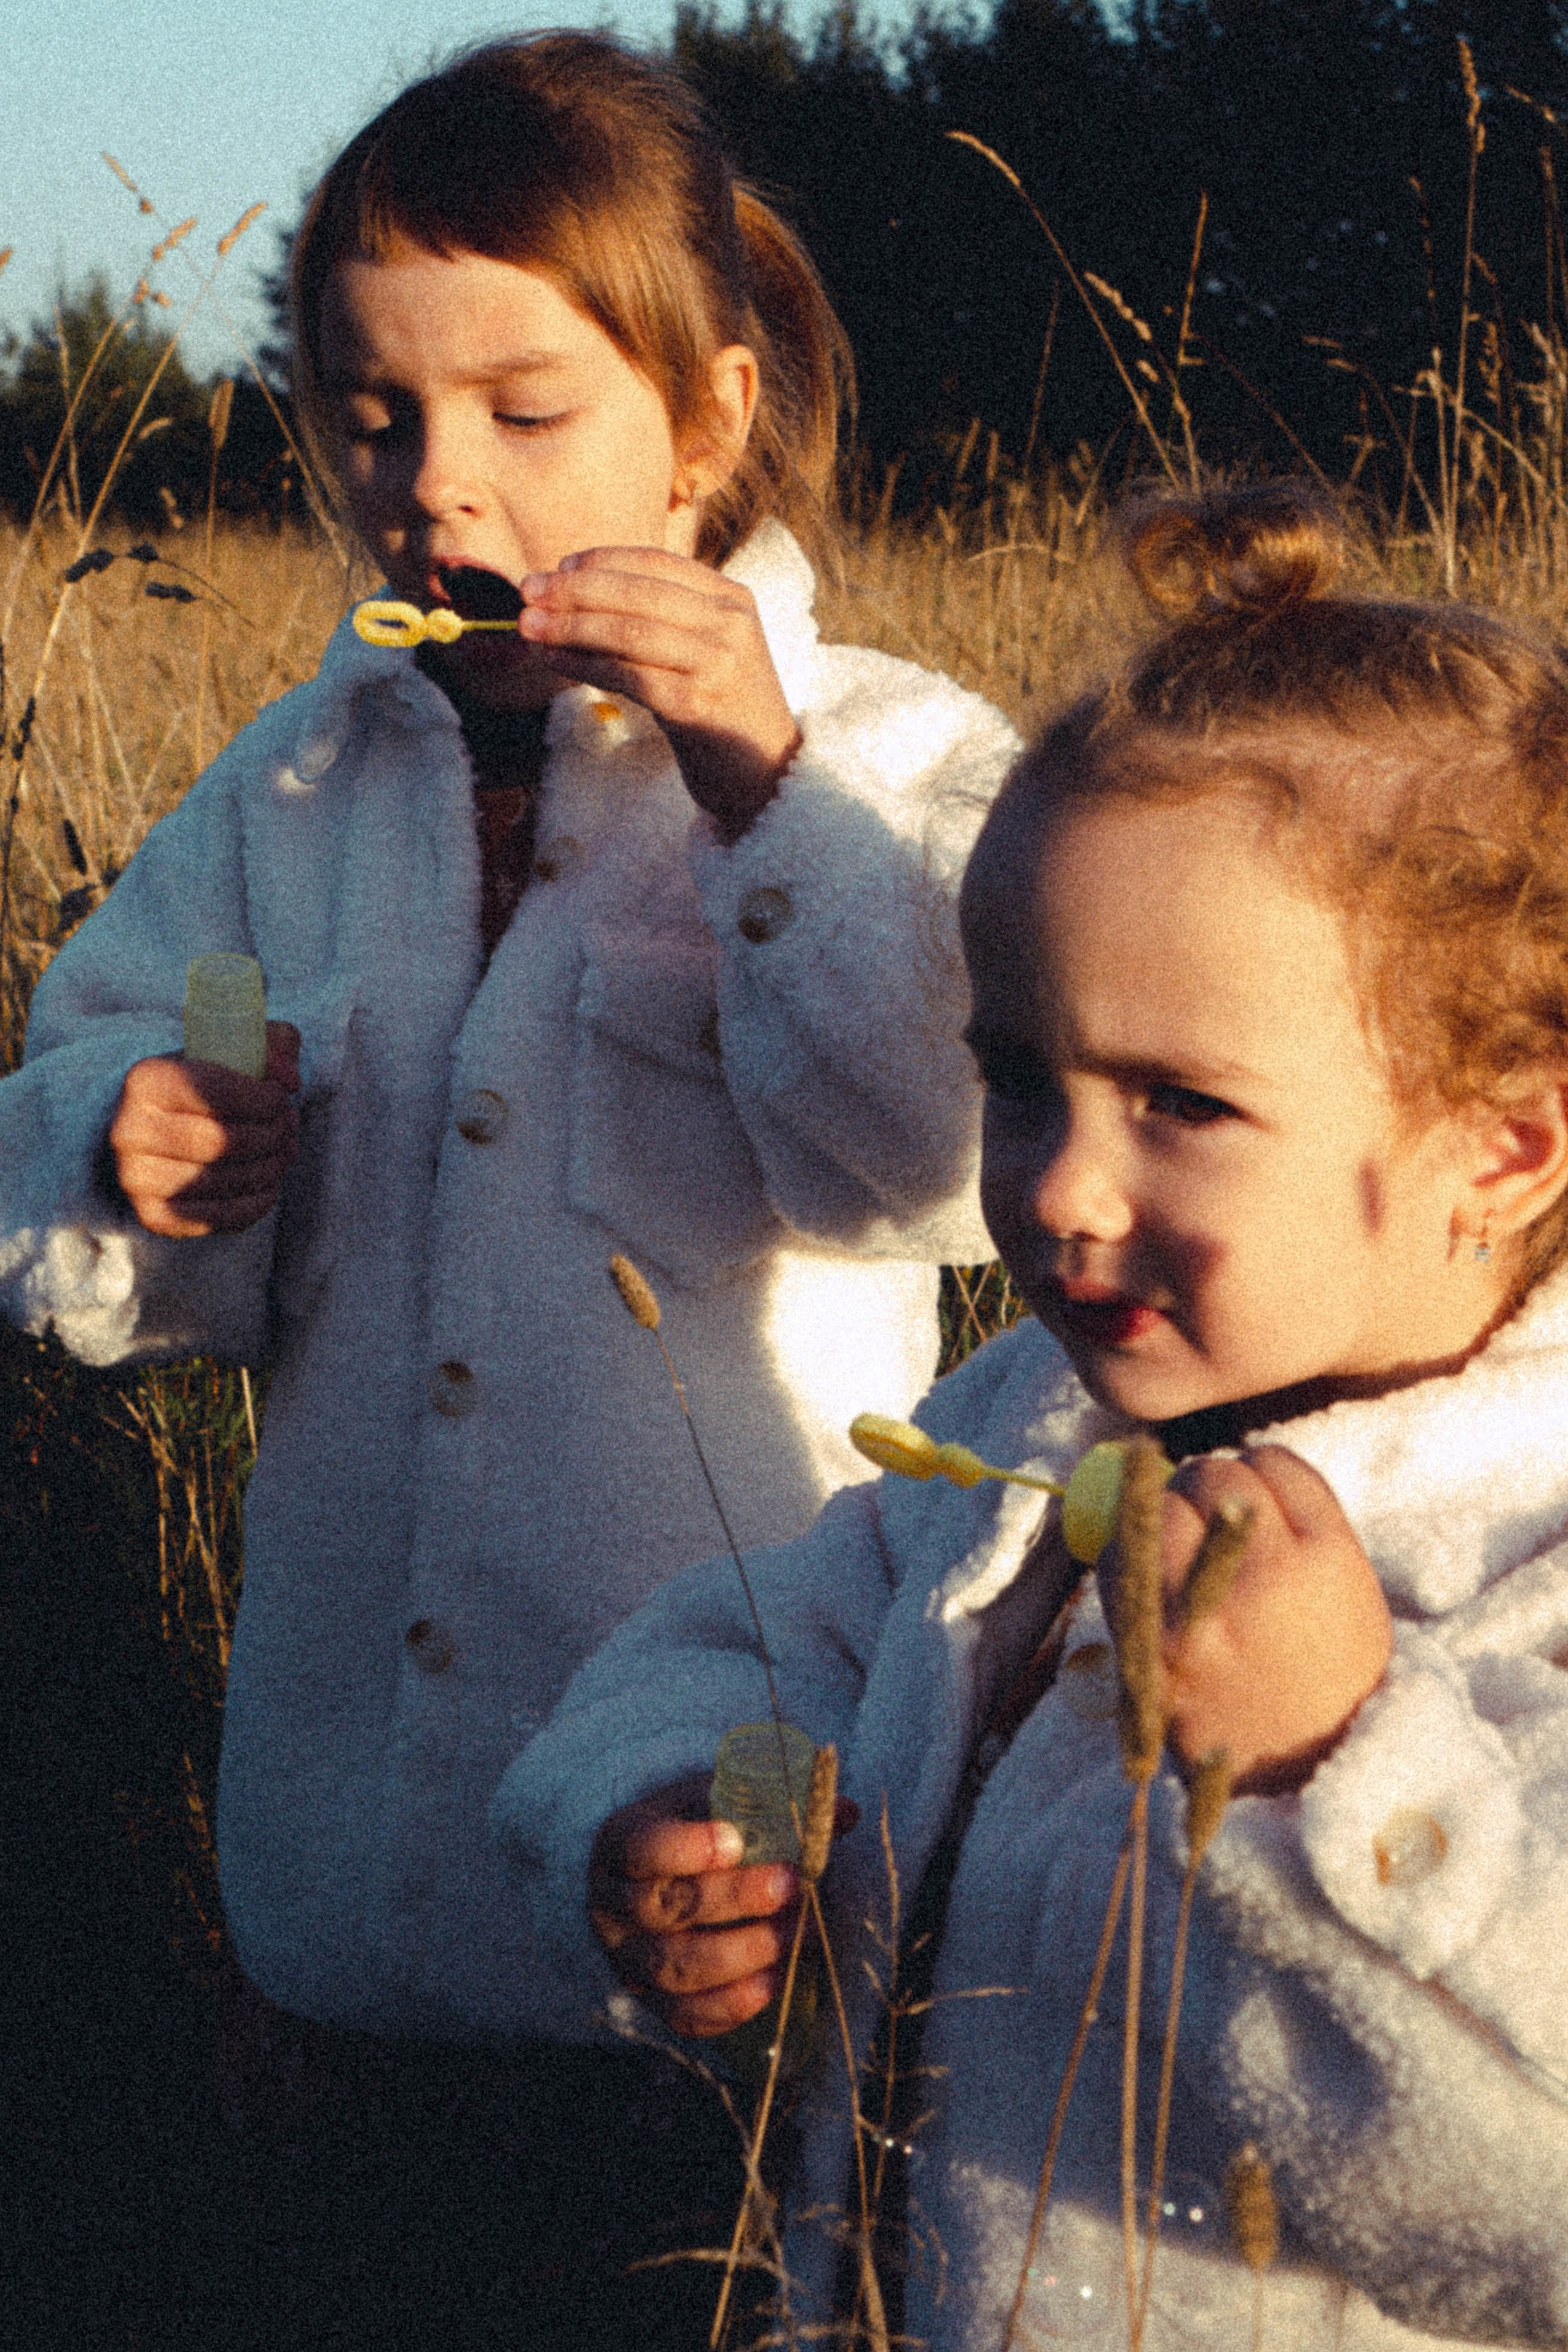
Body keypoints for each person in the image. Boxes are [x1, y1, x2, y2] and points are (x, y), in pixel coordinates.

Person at [0, 32, 1016, 2343]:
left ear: (711, 414)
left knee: (695, 2271)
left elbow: (953, 1163)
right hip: (345, 1884)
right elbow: (89, 1148)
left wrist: (758, 787)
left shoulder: (881, 758)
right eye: (375, 415)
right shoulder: (294, 787)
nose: (435, 483)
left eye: (525, 413)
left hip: (724, 1832)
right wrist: (127, 1152)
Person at [502, 484, 1568, 2349]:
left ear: (1506, 1142)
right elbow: (772, 1646)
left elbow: (1529, 2206)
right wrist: (691, 1821)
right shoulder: (1034, 1423)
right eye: (1019, 1077)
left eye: (1180, 1103)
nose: (1057, 1190)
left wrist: (1338, 1760)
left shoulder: (1519, 1536)